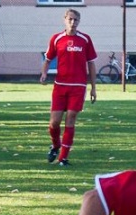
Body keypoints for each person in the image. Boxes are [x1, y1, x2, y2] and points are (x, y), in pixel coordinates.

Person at [40, 9, 97, 167]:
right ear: (65, 20)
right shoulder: (56, 39)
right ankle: (56, 145)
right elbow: (48, 59)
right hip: (60, 86)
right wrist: (44, 74)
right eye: (70, 19)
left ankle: (63, 158)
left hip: (78, 87)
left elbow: (91, 64)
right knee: (54, 123)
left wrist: (93, 88)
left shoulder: (85, 39)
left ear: (79, 22)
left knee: (70, 118)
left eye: (76, 20)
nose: (73, 22)